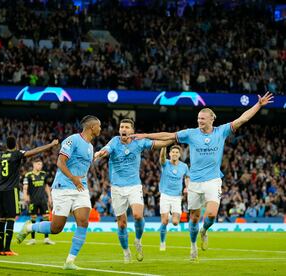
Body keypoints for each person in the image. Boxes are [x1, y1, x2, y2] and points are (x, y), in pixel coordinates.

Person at [131, 92, 274, 261]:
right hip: (195, 182)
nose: (199, 121)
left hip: (213, 180)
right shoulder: (191, 133)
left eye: (202, 119)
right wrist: (145, 135)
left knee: (212, 214)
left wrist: (258, 105)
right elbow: (168, 136)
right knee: (194, 217)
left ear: (211, 119)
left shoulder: (221, 131)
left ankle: (204, 231)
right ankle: (193, 246)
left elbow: (243, 119)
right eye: (198, 118)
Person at [17, 115, 101, 270]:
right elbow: (60, 162)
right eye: (99, 126)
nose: (100, 129)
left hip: (81, 188)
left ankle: (70, 261)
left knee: (83, 221)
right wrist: (72, 178)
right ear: (92, 127)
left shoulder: (90, 147)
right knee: (56, 228)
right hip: (63, 187)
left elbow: (82, 166)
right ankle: (29, 227)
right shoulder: (72, 140)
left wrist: (81, 177)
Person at [93, 118, 174, 263]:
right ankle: (126, 252)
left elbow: (159, 143)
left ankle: (138, 240)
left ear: (132, 131)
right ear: (119, 130)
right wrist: (100, 153)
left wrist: (174, 138)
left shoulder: (139, 142)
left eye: (126, 127)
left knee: (137, 215)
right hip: (117, 187)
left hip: (134, 186)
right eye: (122, 127)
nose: (123, 129)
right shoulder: (114, 141)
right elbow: (106, 150)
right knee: (122, 223)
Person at [0, 136, 58, 256]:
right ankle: (7, 249)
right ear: (15, 145)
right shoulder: (16, 154)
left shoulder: (1, 155)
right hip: (11, 191)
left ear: (6, 145)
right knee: (10, 219)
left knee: (2, 220)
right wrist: (51, 145)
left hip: (0, 191)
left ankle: (1, 250)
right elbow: (35, 151)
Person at [158, 145, 190, 251]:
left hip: (177, 197)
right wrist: (164, 146)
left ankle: (170, 216)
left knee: (176, 223)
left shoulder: (184, 166)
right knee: (164, 222)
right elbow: (161, 158)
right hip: (165, 195)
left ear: (180, 155)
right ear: (170, 154)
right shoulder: (165, 163)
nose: (175, 154)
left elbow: (187, 177)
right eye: (173, 152)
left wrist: (187, 186)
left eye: (177, 152)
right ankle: (162, 242)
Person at [22, 158, 55, 245]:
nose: (40, 166)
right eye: (38, 164)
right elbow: (25, 186)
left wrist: (49, 197)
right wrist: (25, 195)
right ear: (33, 164)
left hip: (43, 199)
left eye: (41, 164)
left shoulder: (44, 174)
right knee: (33, 218)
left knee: (46, 218)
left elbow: (46, 186)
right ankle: (32, 239)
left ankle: (46, 238)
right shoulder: (28, 175)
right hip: (33, 200)